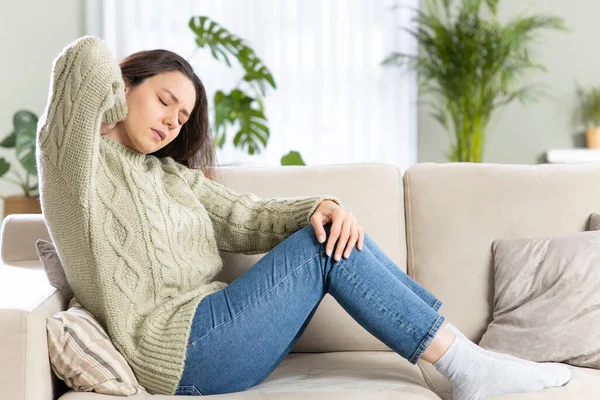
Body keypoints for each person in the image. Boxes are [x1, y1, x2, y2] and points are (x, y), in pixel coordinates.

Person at [36, 36, 572, 399]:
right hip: (177, 352)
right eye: (164, 101)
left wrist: (321, 206)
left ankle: (467, 360)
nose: (173, 122)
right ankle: (469, 366)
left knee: (325, 228)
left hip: (223, 334)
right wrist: (108, 109)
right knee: (322, 246)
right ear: (125, 86)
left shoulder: (171, 179)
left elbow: (247, 217)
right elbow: (85, 59)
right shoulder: (75, 167)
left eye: (182, 117)